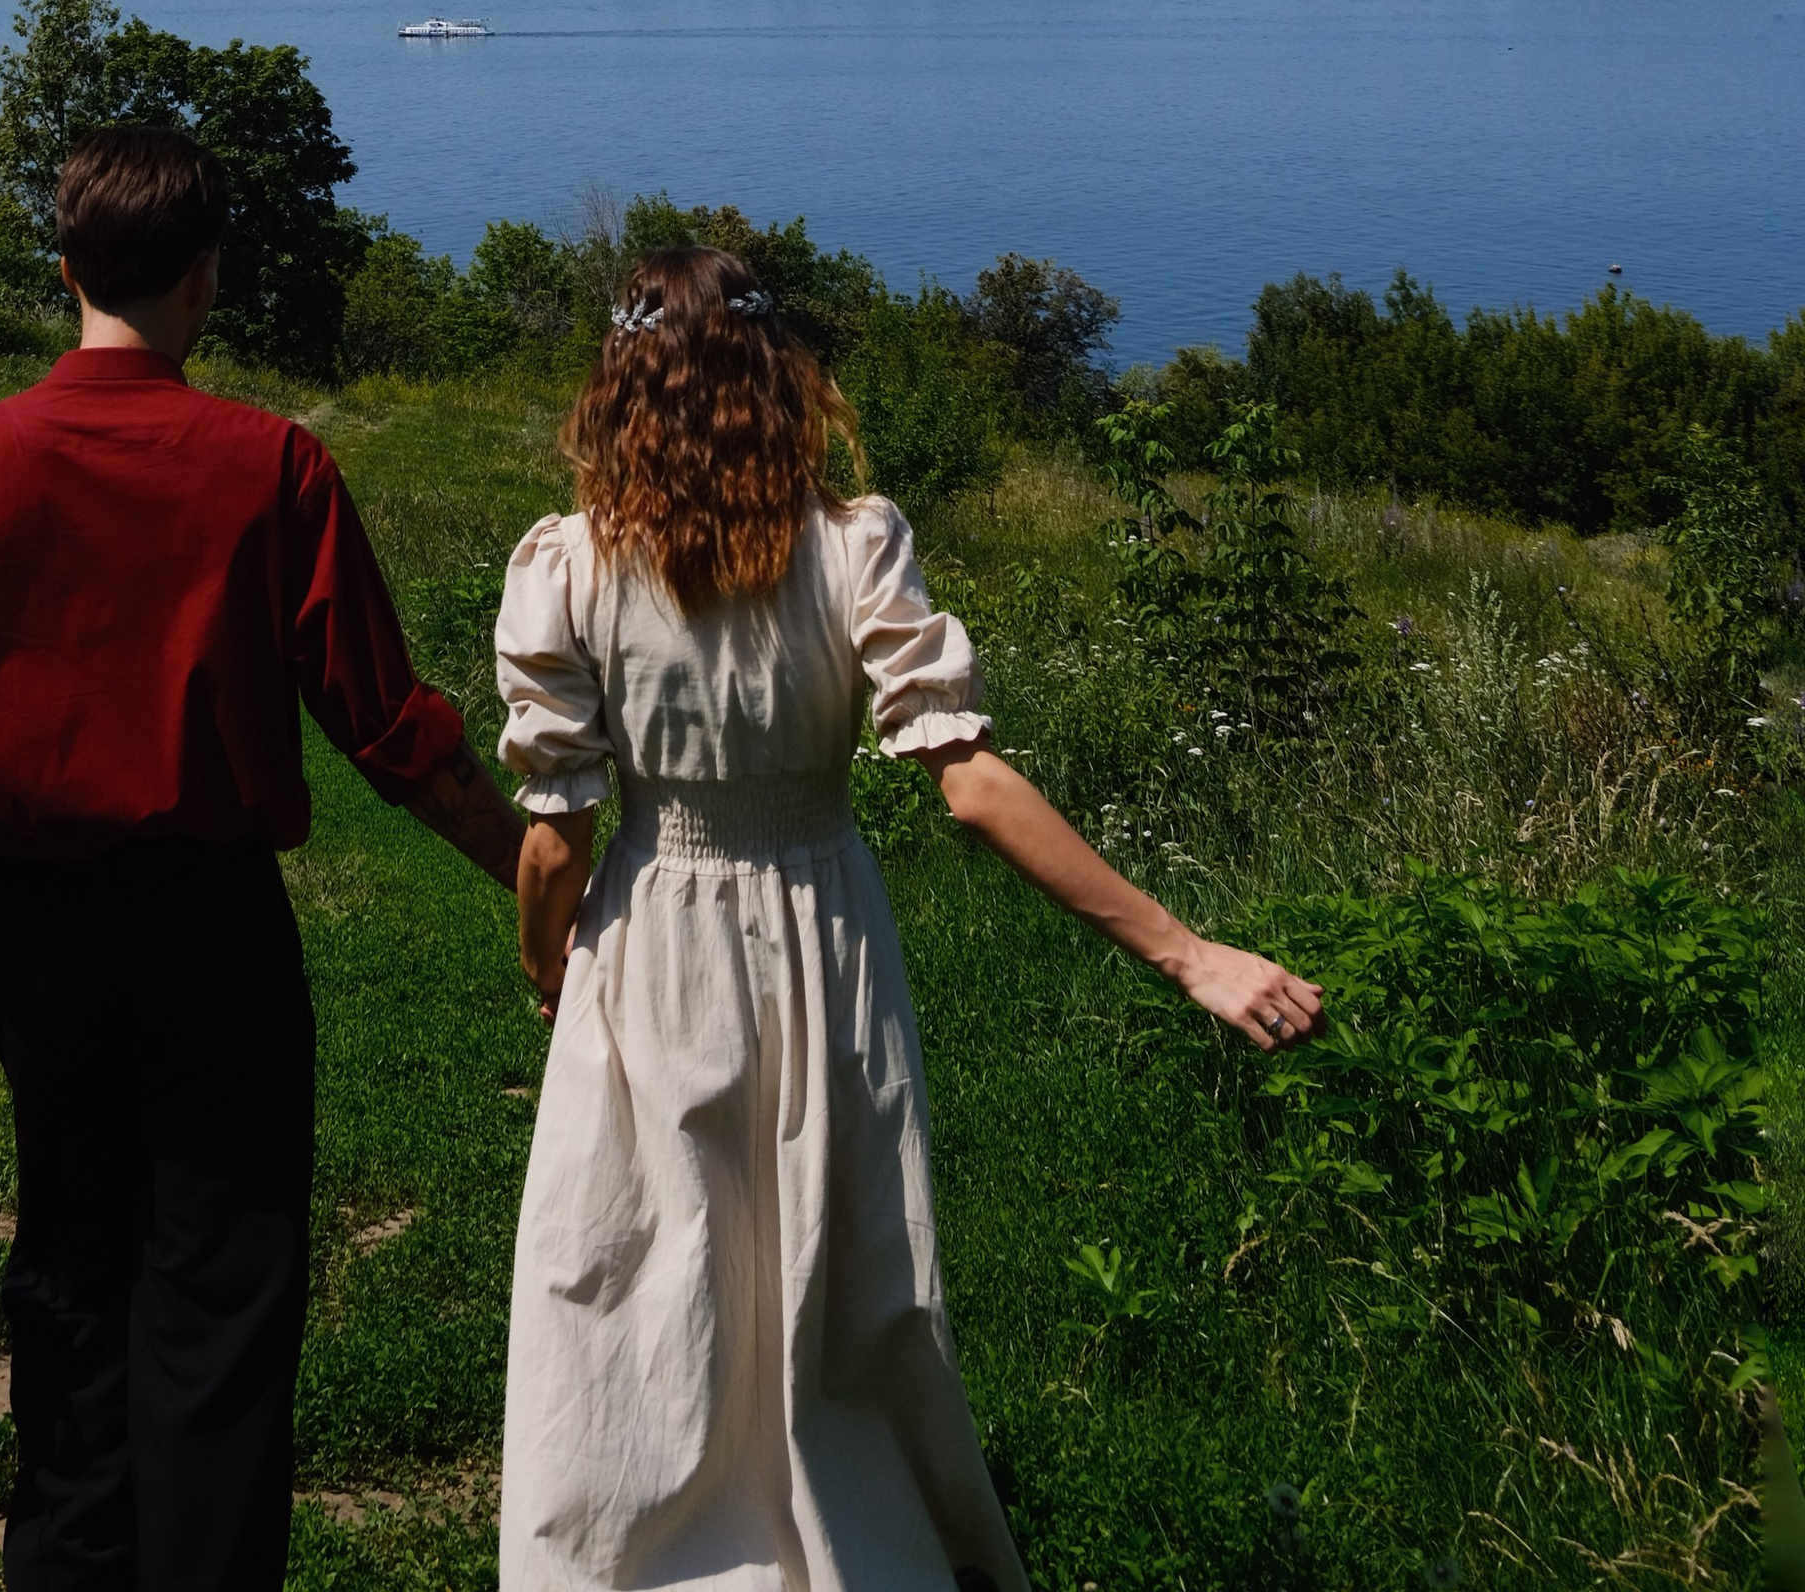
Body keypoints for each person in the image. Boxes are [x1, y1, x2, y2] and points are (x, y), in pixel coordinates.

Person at [494, 247, 1326, 1592]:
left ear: (618, 390)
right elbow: (973, 785)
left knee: (639, 1260)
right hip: (821, 930)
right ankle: (850, 1543)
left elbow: (555, 835)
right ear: (781, 379)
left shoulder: (571, 570)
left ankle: (637, 1560)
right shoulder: (848, 547)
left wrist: (550, 960)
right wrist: (1189, 953)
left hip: (648, 933)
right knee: (838, 1262)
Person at [0, 123, 524, 1592]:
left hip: (44, 936)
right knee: (222, 1294)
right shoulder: (270, 465)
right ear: (205, 278)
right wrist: (538, 873)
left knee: (73, 1271)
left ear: (64, 267)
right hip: (215, 933)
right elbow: (393, 731)